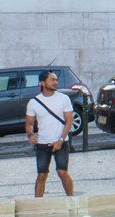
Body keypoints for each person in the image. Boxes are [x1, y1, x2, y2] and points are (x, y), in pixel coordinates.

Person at [24, 70, 77, 198]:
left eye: (56, 80)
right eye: (52, 80)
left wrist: (60, 140)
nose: (55, 82)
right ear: (43, 83)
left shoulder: (64, 99)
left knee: (62, 172)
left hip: (61, 141)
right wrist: (30, 135)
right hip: (43, 142)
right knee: (41, 175)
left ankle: (71, 200)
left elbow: (69, 121)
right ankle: (38, 203)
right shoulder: (34, 102)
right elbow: (29, 123)